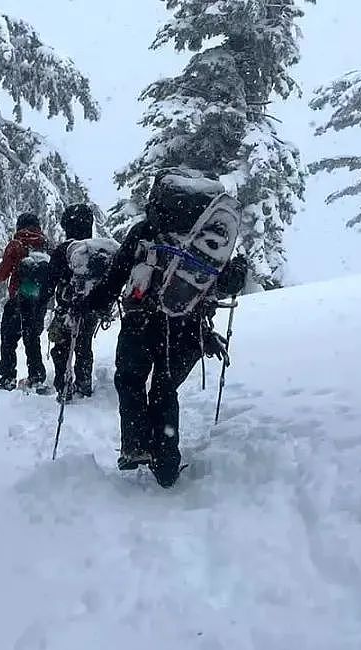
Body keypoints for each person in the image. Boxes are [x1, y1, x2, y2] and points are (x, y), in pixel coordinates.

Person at [84, 169, 247, 487]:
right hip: (188, 325)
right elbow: (225, 278)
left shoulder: (145, 231)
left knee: (130, 380)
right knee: (164, 389)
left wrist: (93, 304)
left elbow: (116, 275)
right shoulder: (207, 234)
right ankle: (167, 466)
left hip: (139, 321)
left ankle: (136, 445)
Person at [44, 202, 110, 400]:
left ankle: (64, 387)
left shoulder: (63, 250)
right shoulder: (98, 250)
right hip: (89, 310)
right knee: (84, 346)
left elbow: (50, 282)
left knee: (61, 349)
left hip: (66, 308)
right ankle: (84, 383)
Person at [0, 212, 49, 391]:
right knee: (32, 338)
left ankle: (7, 377)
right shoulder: (46, 245)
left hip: (19, 299)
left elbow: (3, 273)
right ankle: (36, 377)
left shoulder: (17, 244)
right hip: (39, 301)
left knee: (8, 338)